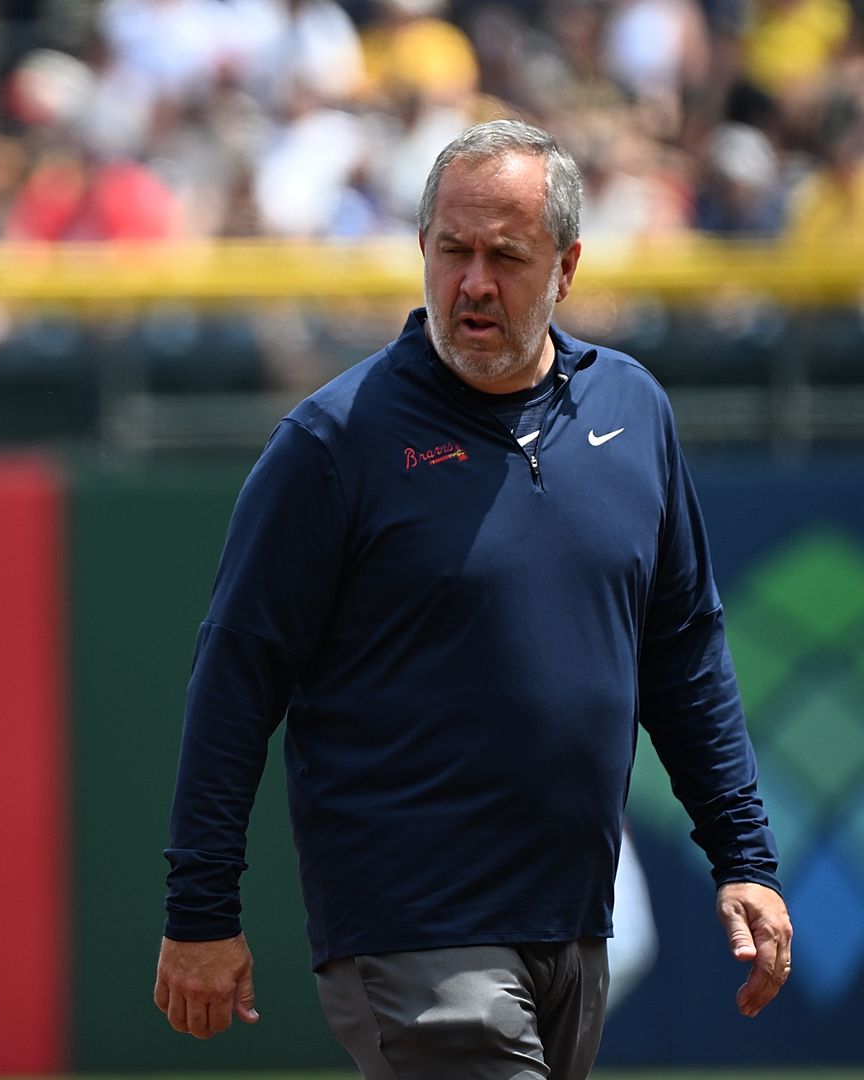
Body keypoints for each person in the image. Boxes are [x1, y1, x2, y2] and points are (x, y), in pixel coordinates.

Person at [152, 119, 793, 1079]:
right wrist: (201, 911)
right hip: (413, 926)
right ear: (421, 249)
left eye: (507, 256)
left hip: (573, 917)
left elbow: (683, 651)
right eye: (453, 251)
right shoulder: (334, 444)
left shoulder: (631, 407)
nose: (475, 283)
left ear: (567, 267)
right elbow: (235, 683)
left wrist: (745, 855)